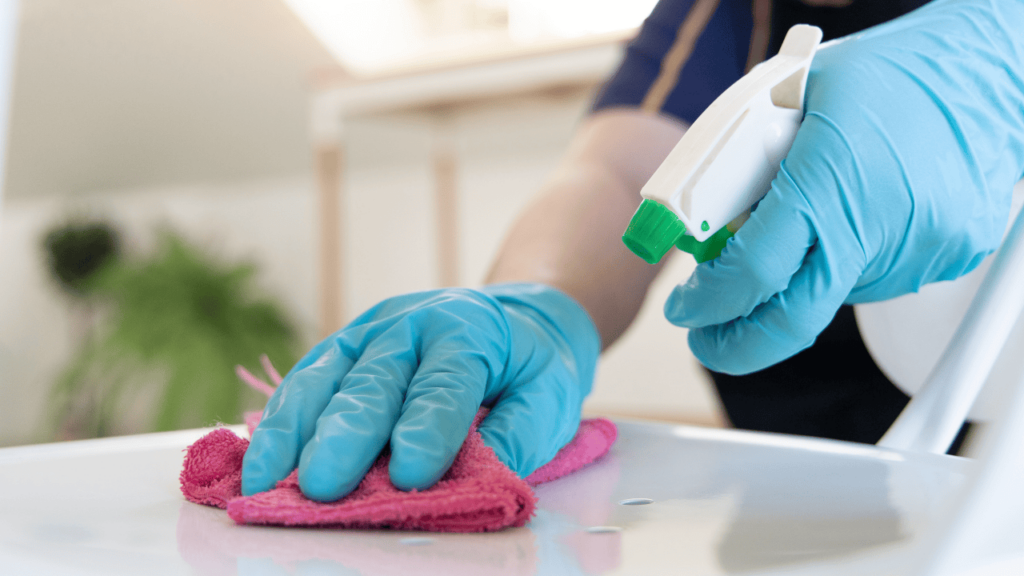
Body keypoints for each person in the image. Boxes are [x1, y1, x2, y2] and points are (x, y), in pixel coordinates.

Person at [241, 0, 1024, 502]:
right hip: (796, 474)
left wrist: (1003, 60)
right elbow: (620, 175)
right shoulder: (725, 13)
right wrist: (536, 301)